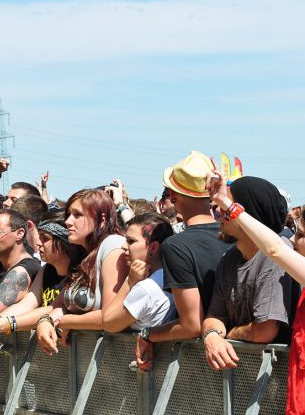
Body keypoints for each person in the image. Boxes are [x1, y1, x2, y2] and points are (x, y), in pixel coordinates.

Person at [205, 164, 305, 414]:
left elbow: (275, 248)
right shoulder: (229, 257)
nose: (292, 239)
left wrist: (227, 334)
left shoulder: (279, 256)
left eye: (301, 234)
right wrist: (212, 335)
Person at [135, 151, 230, 371]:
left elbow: (191, 325)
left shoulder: (176, 246)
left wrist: (148, 334)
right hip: (236, 358)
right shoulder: (231, 234)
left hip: (200, 365)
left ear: (173, 196)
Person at [36, 189, 128, 355]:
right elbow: (58, 306)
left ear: (102, 220)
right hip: (85, 362)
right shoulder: (82, 255)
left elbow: (109, 316)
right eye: (69, 214)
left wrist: (65, 321)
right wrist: (45, 321)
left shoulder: (113, 246)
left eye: (77, 215)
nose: (68, 221)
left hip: (114, 360)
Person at [0, 209, 84, 340]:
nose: (38, 243)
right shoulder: (46, 270)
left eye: (45, 238)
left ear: (64, 241)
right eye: (39, 236)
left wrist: (2, 324)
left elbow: (52, 308)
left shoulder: (79, 272)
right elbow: (27, 305)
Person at [103, 213, 176, 332]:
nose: (123, 246)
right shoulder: (173, 276)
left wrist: (129, 282)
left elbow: (108, 323)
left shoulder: (146, 288)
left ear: (153, 247)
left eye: (131, 241)